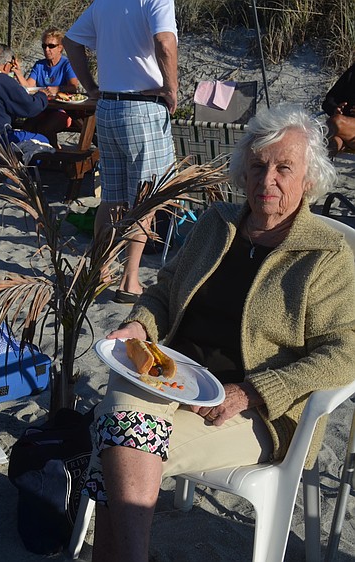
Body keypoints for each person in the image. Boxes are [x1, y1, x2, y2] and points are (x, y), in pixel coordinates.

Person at [83, 106, 355, 561]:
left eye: (284, 167)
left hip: (254, 413)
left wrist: (252, 391)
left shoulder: (324, 256)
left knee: (118, 435)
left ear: (309, 179)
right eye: (257, 165)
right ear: (242, 170)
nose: (267, 179)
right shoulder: (218, 224)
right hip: (175, 378)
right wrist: (140, 323)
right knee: (123, 410)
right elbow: (165, 292)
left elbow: (346, 351)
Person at [65, 0, 178, 303]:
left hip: (108, 106)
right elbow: (164, 42)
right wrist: (171, 89)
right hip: (142, 108)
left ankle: (98, 271)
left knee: (112, 196)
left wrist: (90, 86)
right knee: (145, 199)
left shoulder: (105, 2)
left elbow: (71, 41)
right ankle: (130, 280)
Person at [15, 27, 82, 148]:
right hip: (42, 108)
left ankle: (55, 156)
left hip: (63, 110)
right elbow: (29, 86)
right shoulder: (39, 65)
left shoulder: (67, 64)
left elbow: (73, 87)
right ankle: (38, 158)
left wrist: (57, 89)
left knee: (45, 128)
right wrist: (18, 73)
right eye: (44, 46)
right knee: (26, 128)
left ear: (60, 47)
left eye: (51, 46)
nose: (47, 49)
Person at [322, 60, 355, 157]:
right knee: (331, 144)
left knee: (337, 121)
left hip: (343, 126)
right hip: (345, 132)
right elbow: (329, 99)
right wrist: (335, 109)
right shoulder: (353, 72)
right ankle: (317, 169)